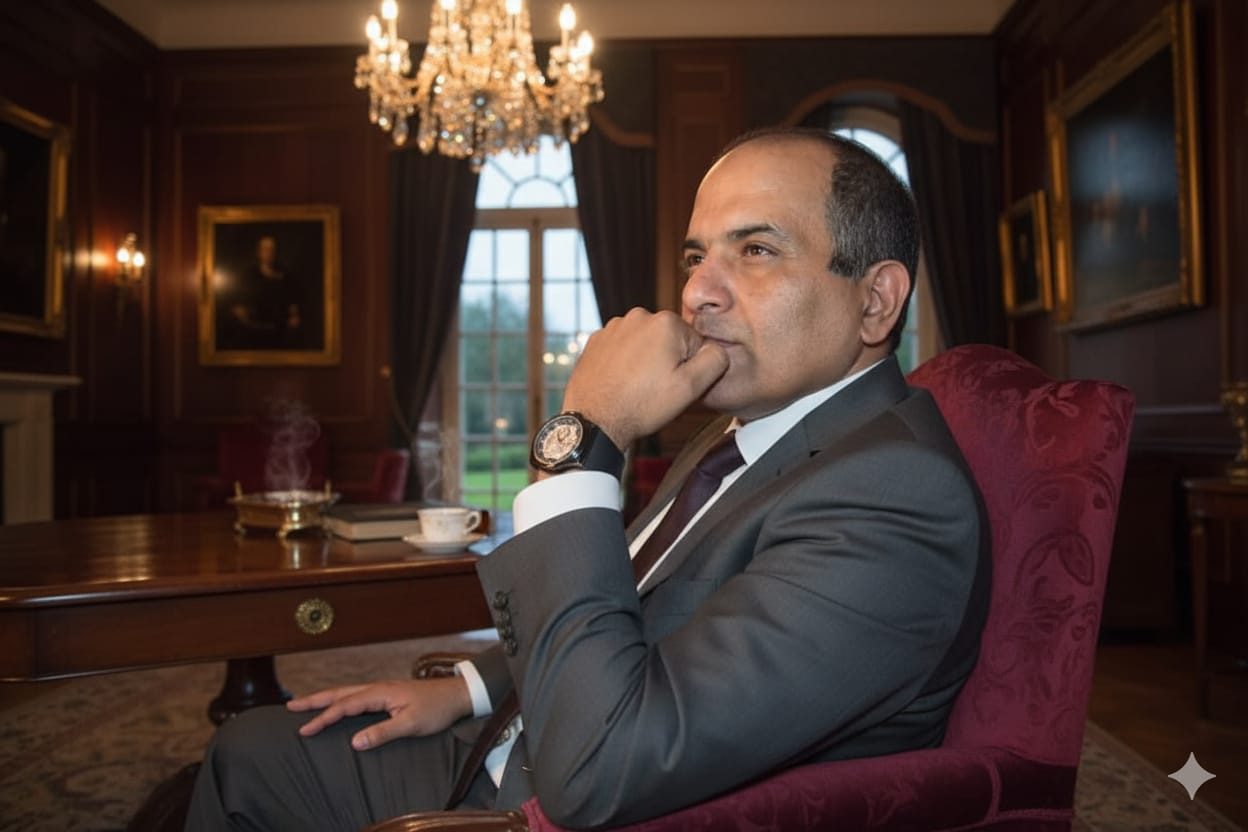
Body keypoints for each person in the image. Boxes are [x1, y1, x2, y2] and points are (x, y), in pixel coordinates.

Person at [185, 126, 991, 830]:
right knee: (250, 747)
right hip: (529, 734)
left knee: (248, 762)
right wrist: (470, 689)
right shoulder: (741, 433)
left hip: (552, 800)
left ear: (876, 301)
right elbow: (635, 598)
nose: (696, 293)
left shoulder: (893, 494)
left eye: (756, 250)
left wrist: (586, 440)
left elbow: (602, 768)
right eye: (696, 256)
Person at [216, 234, 309, 351]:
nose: (269, 253)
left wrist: (294, 316)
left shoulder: (285, 275)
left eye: (272, 249)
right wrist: (240, 311)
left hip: (279, 327)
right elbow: (237, 299)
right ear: (259, 252)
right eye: (265, 249)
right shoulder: (249, 275)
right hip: (254, 327)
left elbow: (293, 299)